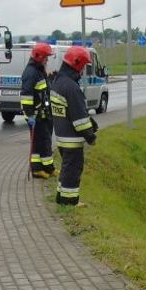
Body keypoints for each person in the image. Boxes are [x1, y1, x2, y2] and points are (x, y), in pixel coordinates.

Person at [51, 46, 98, 206]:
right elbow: (79, 119)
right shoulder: (72, 87)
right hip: (72, 139)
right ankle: (70, 202)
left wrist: (90, 121)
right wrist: (90, 136)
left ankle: (61, 197)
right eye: (83, 65)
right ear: (77, 64)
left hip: (61, 137)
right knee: (73, 171)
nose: (84, 69)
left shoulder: (58, 82)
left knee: (66, 169)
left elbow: (69, 110)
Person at [21, 42, 55, 178]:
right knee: (42, 141)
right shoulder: (31, 72)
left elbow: (42, 90)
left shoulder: (39, 70)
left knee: (41, 141)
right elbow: (26, 96)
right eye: (46, 57)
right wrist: (30, 115)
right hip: (35, 114)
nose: (47, 59)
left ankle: (41, 168)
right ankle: (43, 169)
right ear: (39, 56)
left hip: (42, 113)